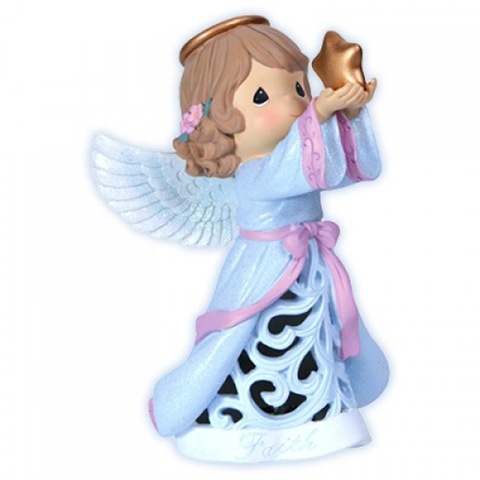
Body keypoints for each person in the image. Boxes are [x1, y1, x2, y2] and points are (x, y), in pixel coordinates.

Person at [146, 16, 389, 461]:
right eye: (262, 96)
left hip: (309, 266)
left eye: (299, 88)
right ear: (221, 121)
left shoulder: (295, 154)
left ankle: (313, 402)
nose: (296, 104)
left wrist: (350, 113)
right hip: (263, 268)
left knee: (316, 330)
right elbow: (294, 169)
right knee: (243, 337)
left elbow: (341, 170)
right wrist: (319, 114)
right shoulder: (255, 174)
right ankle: (237, 411)